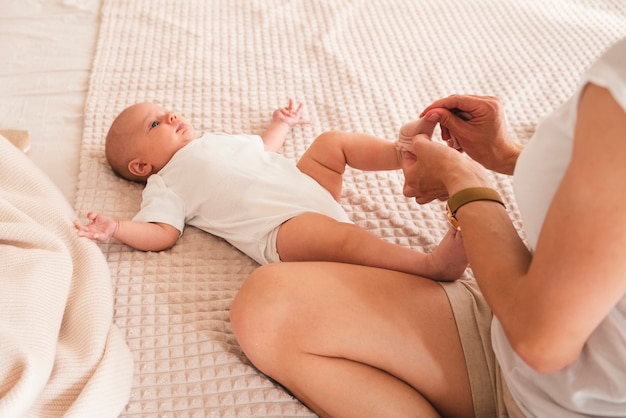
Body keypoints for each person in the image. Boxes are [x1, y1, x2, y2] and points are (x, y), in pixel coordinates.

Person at [230, 37, 626, 418]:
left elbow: (541, 341)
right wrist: (506, 156)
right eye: (161, 123)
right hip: (536, 342)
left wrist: (463, 181)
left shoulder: (618, 86)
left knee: (296, 267)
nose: (173, 119)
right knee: (272, 299)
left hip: (551, 387)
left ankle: (431, 266)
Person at [74, 99, 467, 281]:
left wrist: (281, 123)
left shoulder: (215, 140)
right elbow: (161, 233)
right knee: (345, 239)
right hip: (281, 230)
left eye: (165, 110)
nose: (171, 115)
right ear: (141, 166)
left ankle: (404, 153)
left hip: (309, 189)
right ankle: (432, 266)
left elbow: (263, 148)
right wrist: (118, 229)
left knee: (331, 144)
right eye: (156, 124)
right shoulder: (165, 183)